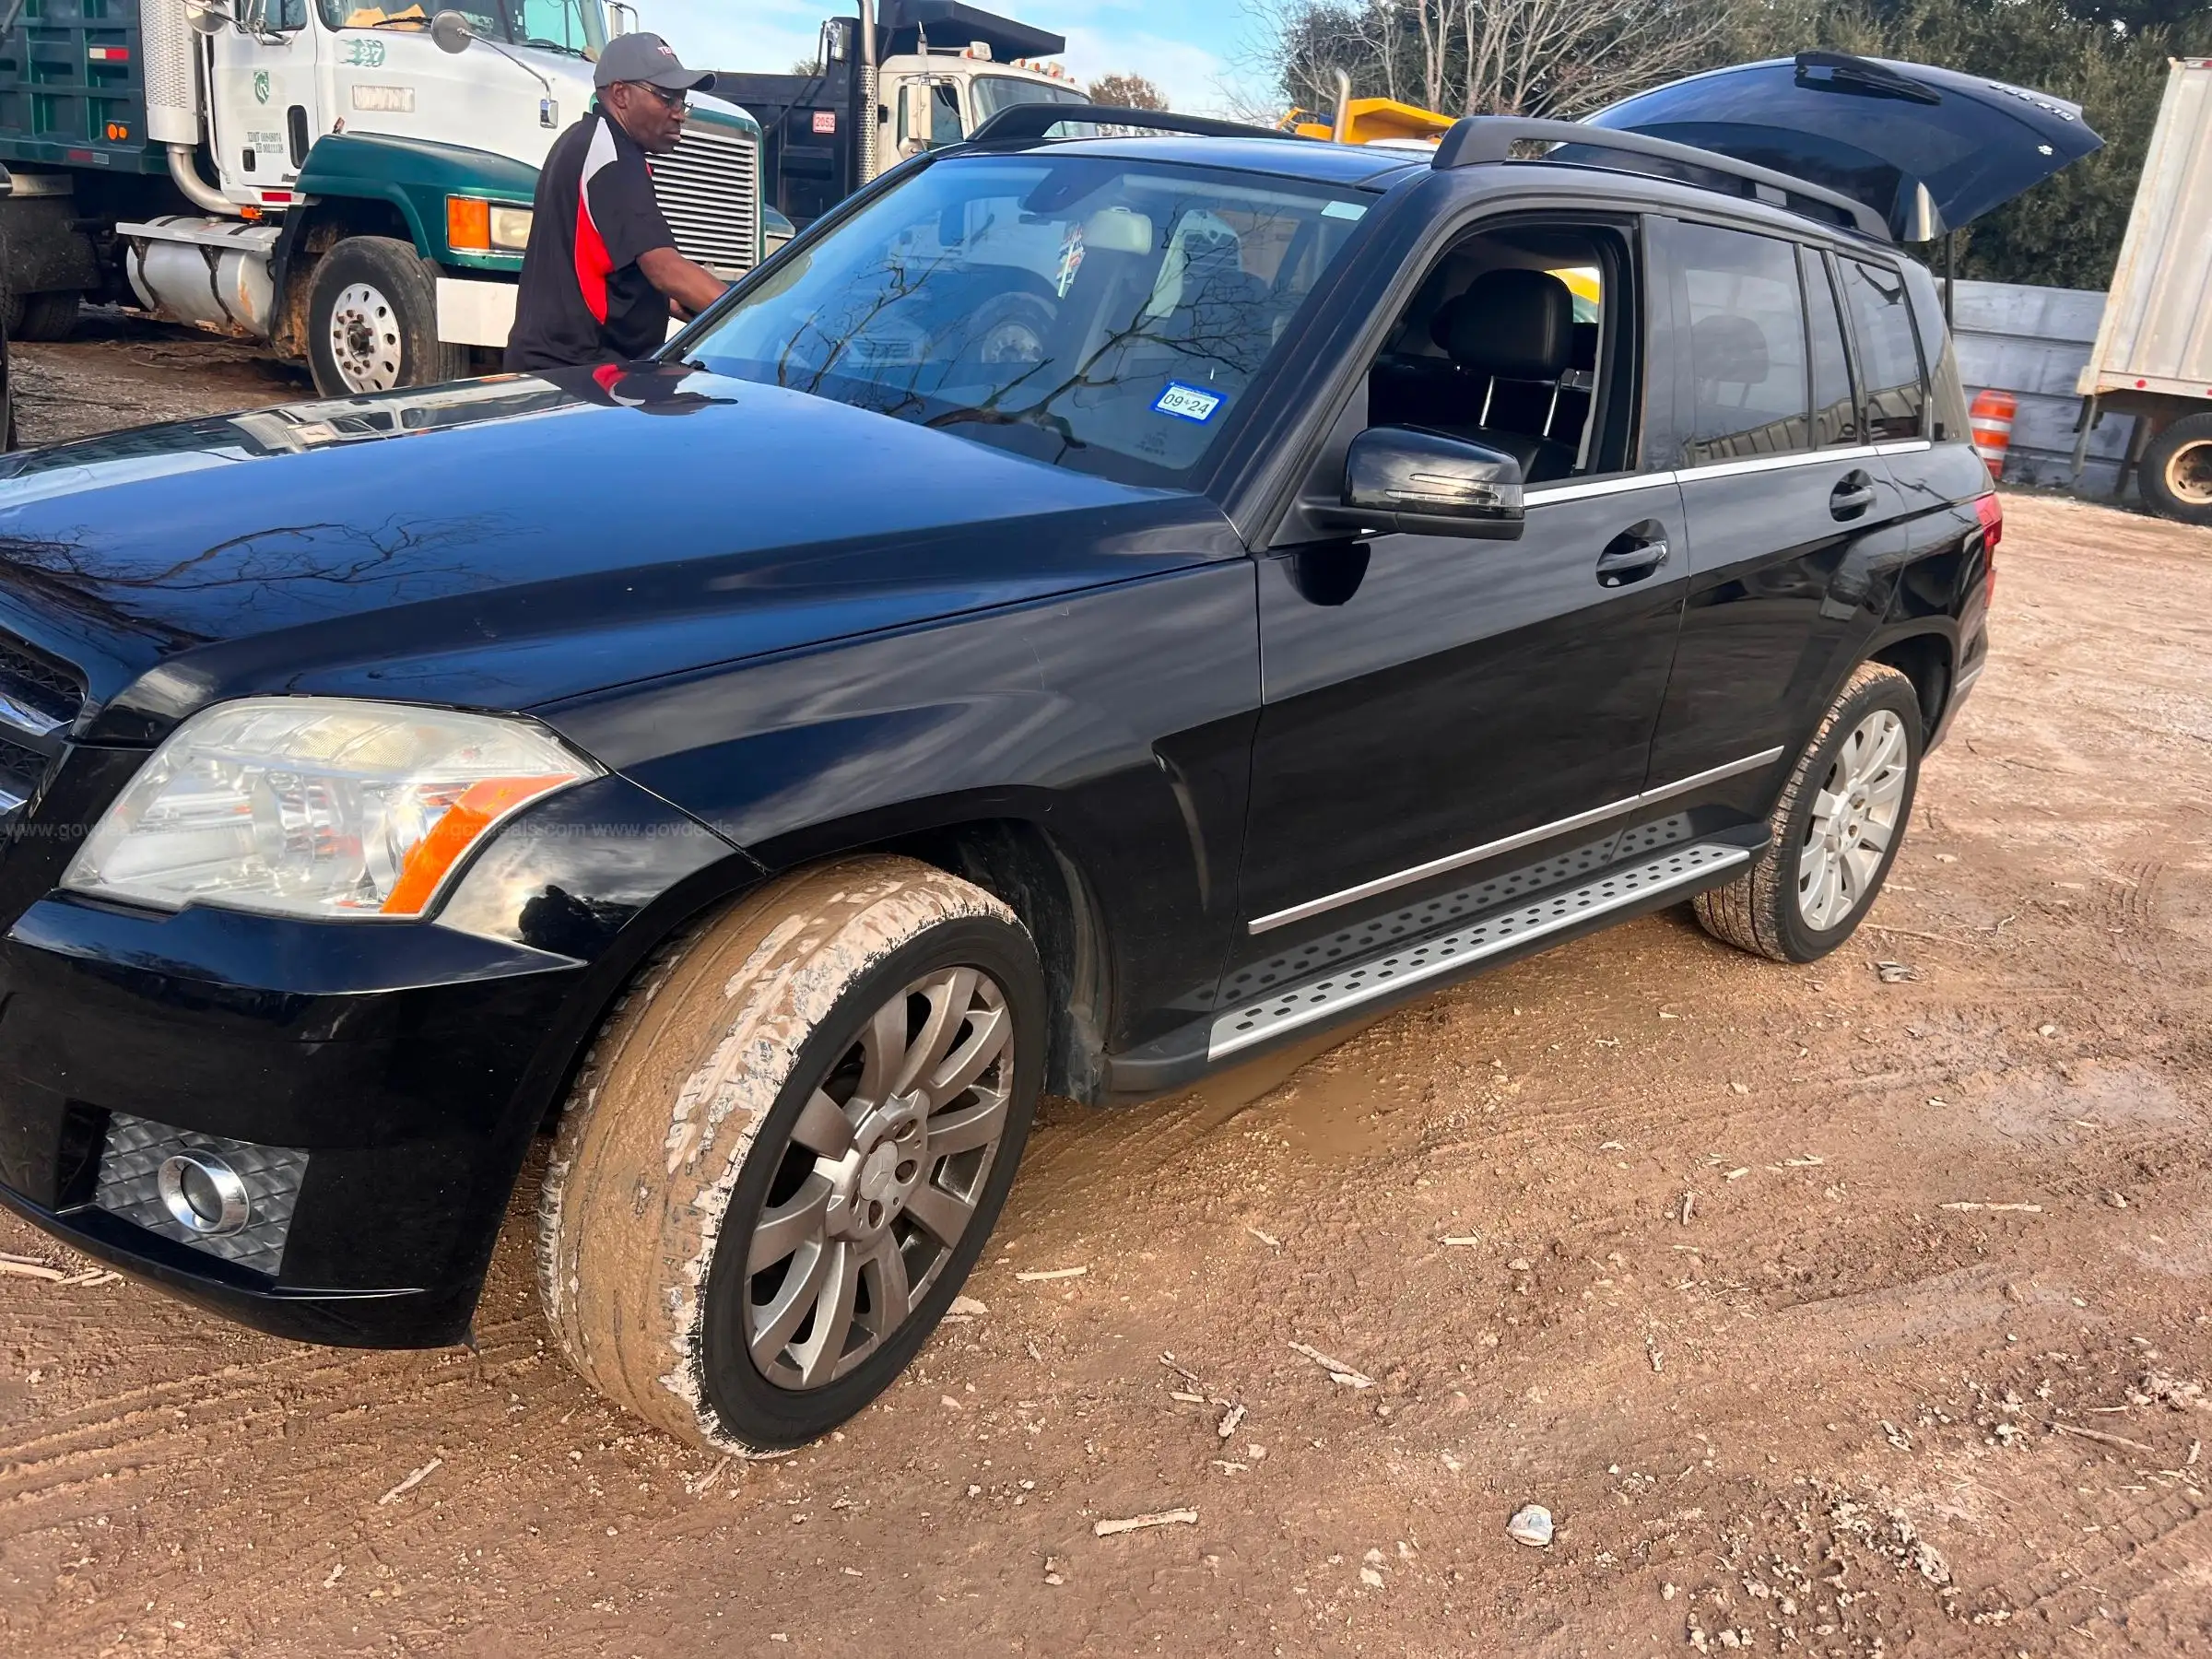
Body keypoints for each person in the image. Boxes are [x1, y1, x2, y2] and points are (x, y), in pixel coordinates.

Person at [506, 33, 730, 373]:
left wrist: (671, 303)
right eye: (667, 98)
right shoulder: (610, 156)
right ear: (621, 94)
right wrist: (750, 316)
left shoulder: (588, 140)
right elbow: (664, 268)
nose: (678, 114)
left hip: (561, 367)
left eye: (682, 101)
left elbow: (607, 270)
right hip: (580, 376)